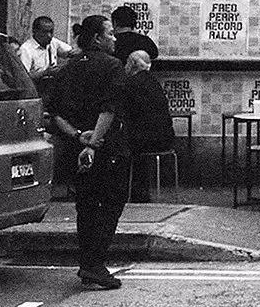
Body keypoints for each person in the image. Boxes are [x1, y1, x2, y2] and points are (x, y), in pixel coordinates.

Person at [49, 15, 131, 290]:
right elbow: (108, 109)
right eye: (110, 34)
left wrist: (77, 137)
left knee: (85, 206)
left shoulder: (67, 68)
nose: (115, 38)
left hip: (76, 143)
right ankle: (95, 264)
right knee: (112, 202)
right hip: (107, 146)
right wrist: (94, 143)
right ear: (97, 38)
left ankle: (87, 263)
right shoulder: (112, 66)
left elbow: (55, 114)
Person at [122, 51, 174, 203]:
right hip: (165, 140)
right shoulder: (154, 82)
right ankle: (140, 192)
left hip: (142, 142)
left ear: (131, 65)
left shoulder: (129, 84)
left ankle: (127, 192)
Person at [19, 16, 75, 87]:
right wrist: (45, 73)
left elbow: (70, 52)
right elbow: (24, 78)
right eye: (44, 32)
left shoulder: (53, 42)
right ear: (35, 31)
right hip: (36, 88)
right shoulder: (26, 49)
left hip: (53, 87)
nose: (49, 35)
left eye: (51, 31)